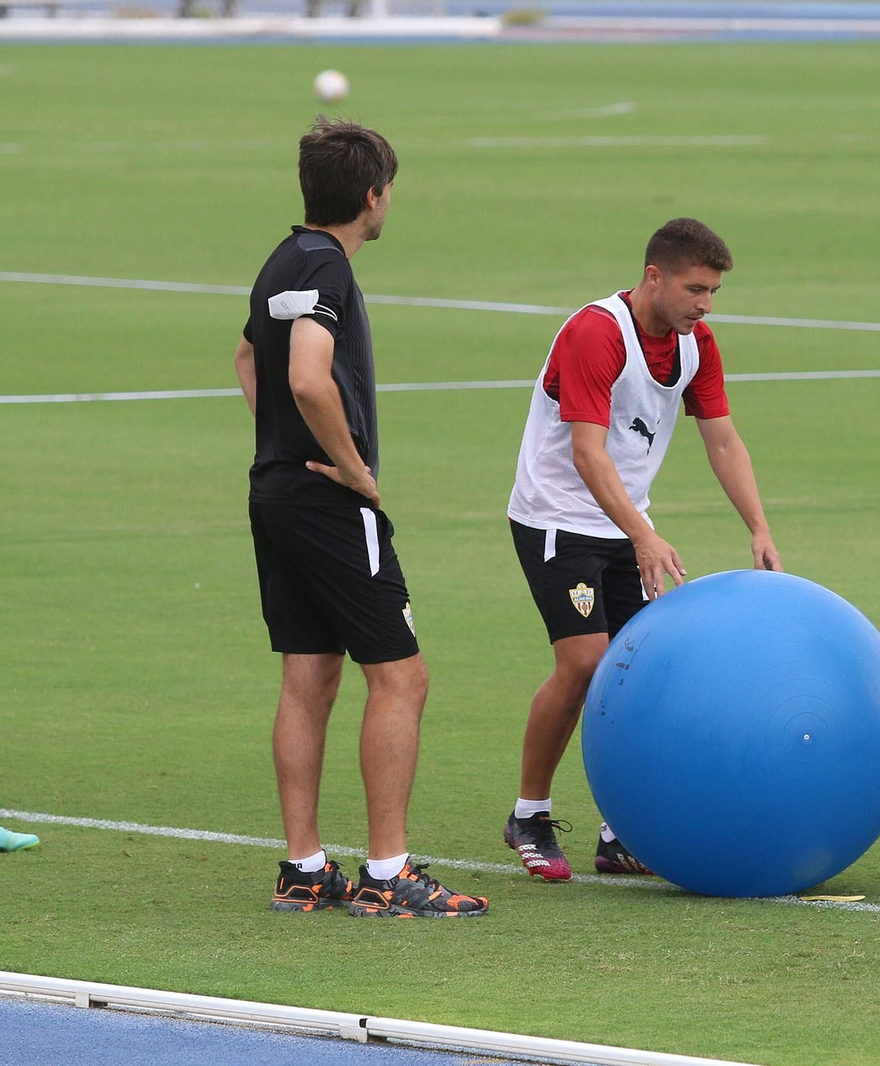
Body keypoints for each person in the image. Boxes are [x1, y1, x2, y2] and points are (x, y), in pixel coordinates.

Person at [235, 119, 486, 919]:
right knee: (400, 675)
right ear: (373, 196)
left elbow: (248, 359)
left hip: (274, 490)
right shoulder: (330, 270)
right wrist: (348, 467)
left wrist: (279, 444)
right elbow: (308, 378)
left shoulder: (283, 259)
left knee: (308, 677)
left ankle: (305, 869)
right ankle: (388, 874)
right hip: (326, 500)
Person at [504, 218, 781, 881]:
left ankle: (619, 831)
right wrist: (643, 535)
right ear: (653, 277)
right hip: (558, 522)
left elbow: (721, 438)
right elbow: (586, 452)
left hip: (627, 526)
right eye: (695, 288)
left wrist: (759, 527)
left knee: (639, 676)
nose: (705, 303)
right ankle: (530, 815)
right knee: (584, 663)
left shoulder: (695, 343)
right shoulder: (596, 333)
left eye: (713, 291)